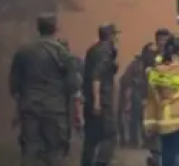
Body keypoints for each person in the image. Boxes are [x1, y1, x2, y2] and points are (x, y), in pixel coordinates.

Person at [9, 13, 82, 166]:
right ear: (54, 28)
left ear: (38, 28)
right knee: (55, 153)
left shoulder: (23, 51)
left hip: (30, 108)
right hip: (55, 110)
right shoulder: (62, 52)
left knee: (29, 151)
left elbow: (15, 84)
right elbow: (72, 84)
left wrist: (19, 106)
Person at [144, 35, 179, 166]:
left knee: (167, 153)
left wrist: (150, 124)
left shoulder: (155, 72)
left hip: (165, 119)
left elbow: (152, 98)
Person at [81, 24, 120, 166]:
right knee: (110, 135)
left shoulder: (93, 49)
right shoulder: (105, 51)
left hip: (91, 99)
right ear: (110, 36)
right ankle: (101, 163)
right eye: (115, 35)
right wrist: (97, 101)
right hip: (102, 100)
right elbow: (96, 76)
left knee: (91, 137)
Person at [142, 28, 172, 166]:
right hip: (152, 97)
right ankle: (154, 156)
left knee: (167, 129)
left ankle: (163, 156)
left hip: (169, 99)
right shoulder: (150, 56)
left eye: (166, 40)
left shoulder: (173, 56)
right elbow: (145, 76)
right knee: (152, 129)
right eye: (161, 40)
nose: (163, 43)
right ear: (156, 40)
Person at [117, 49, 147, 148]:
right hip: (136, 95)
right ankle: (134, 141)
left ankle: (138, 141)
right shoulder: (134, 66)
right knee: (136, 119)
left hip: (142, 95)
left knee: (139, 120)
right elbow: (125, 80)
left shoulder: (144, 65)